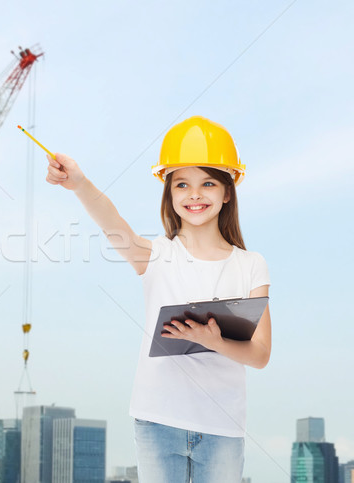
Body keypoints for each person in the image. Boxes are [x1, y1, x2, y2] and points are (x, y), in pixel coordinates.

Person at [44, 115, 271, 483]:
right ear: (169, 192)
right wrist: (79, 183)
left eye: (208, 183)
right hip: (157, 422)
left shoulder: (251, 265)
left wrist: (214, 341)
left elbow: (260, 354)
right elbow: (111, 221)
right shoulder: (154, 255)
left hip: (223, 426)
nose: (194, 195)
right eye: (181, 184)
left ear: (227, 191)